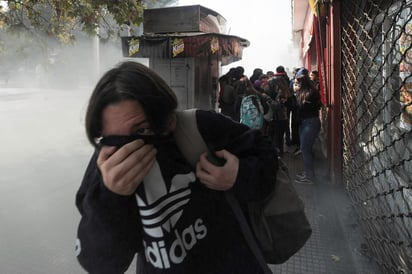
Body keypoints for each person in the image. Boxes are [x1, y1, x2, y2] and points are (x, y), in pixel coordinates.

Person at [75, 61, 276, 274]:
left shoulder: (199, 127)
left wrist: (238, 176)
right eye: (112, 138)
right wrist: (111, 196)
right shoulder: (108, 164)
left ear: (167, 117)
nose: (127, 150)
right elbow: (100, 264)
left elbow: (267, 155)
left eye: (142, 130)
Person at [294, 72, 322, 184]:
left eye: (297, 84)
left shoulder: (310, 94)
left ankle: (310, 176)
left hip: (310, 123)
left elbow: (302, 108)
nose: (295, 86)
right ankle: (308, 173)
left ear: (302, 84)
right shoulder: (307, 93)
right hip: (307, 122)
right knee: (306, 149)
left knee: (305, 149)